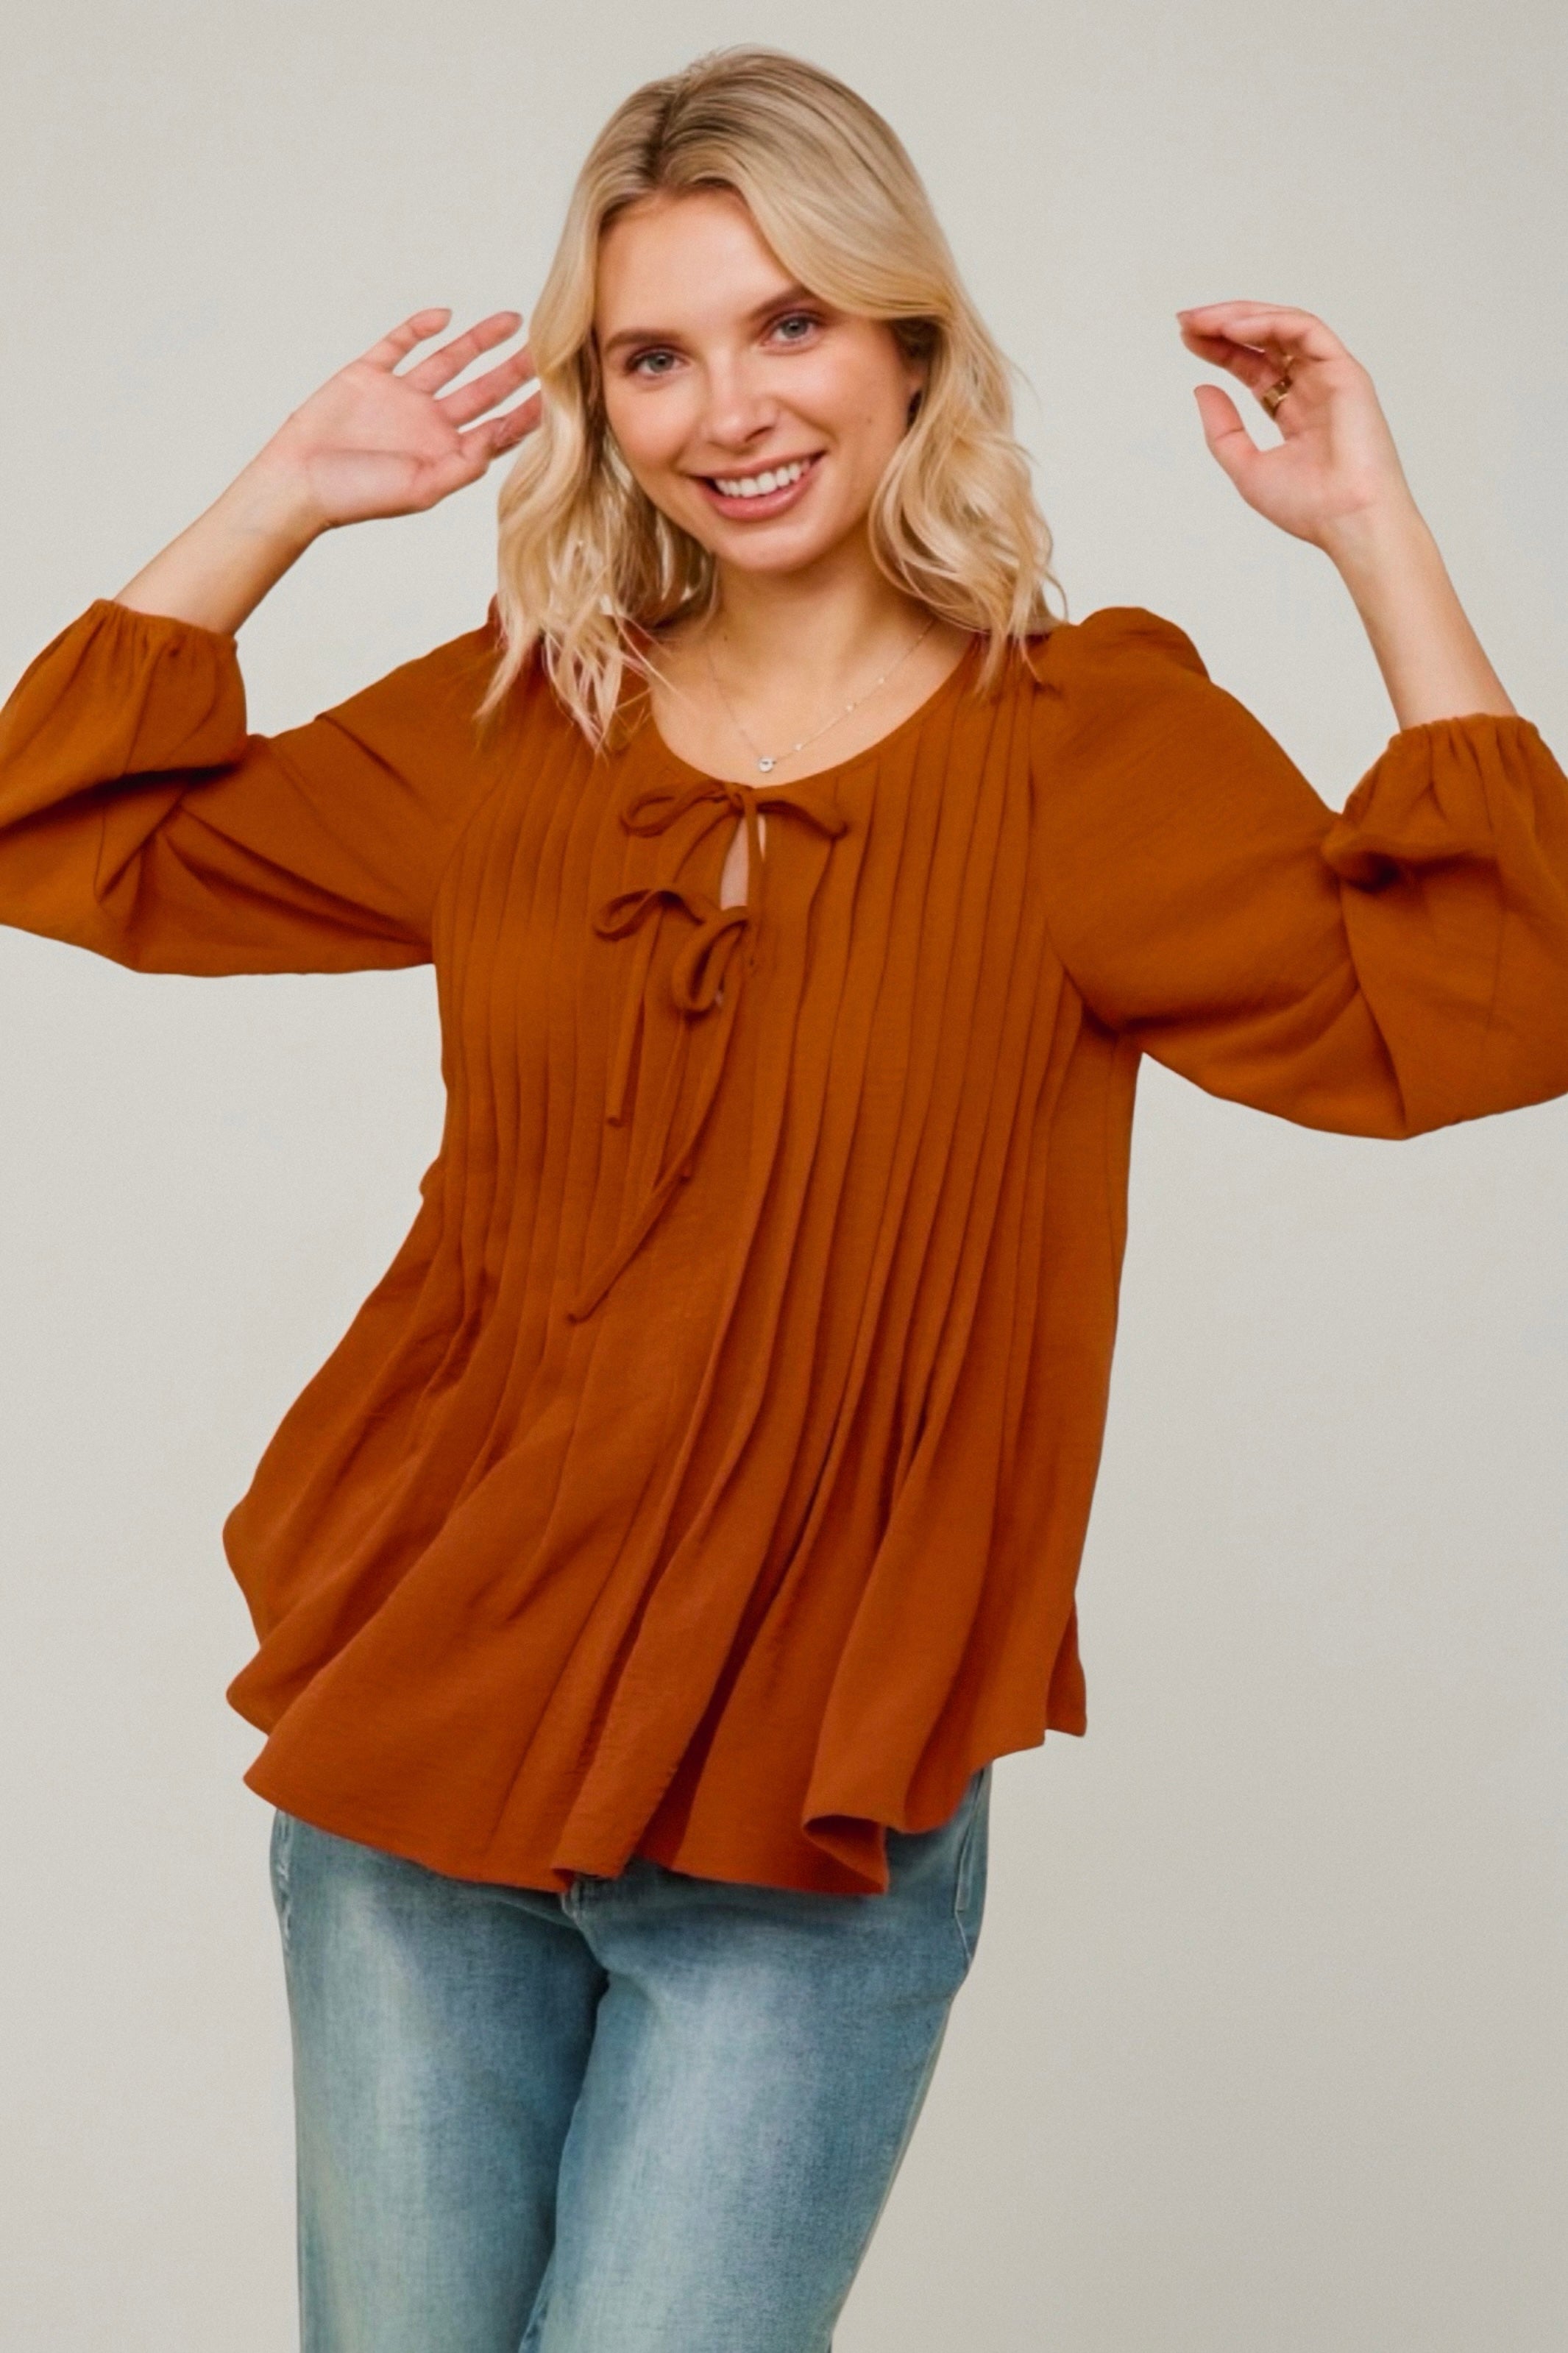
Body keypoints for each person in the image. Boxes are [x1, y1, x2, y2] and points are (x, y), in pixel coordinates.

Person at [2, 41, 1565, 2353]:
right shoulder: (516, 718)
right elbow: (68, 835)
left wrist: (1374, 538)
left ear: (908, 344)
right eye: (652, 352)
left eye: (789, 323)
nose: (727, 406)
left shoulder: (1089, 746)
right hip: (423, 1750)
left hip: (802, 1812)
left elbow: (1496, 996)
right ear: (596, 397)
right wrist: (282, 500)